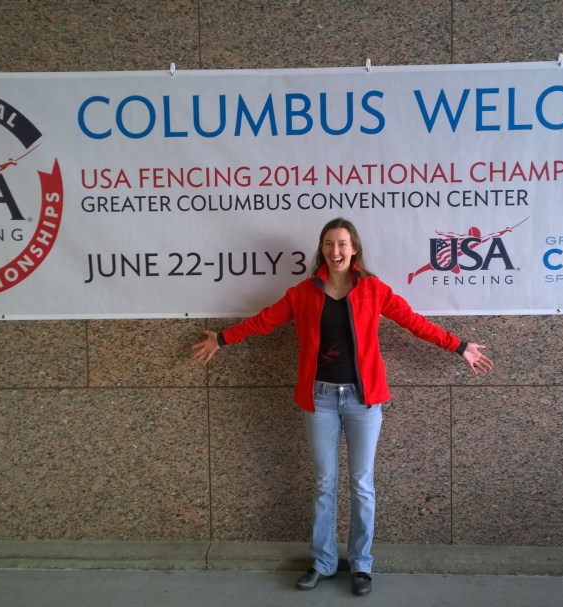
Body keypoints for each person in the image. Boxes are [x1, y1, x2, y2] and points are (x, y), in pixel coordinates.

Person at [191, 218, 493, 597]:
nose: (335, 251)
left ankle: (361, 564)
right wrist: (221, 339)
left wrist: (459, 346)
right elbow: (264, 321)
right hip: (320, 399)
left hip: (362, 401)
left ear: (354, 249)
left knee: (362, 485)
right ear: (322, 249)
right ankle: (323, 561)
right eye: (329, 244)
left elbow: (415, 323)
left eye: (342, 244)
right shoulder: (303, 293)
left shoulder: (373, 290)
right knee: (324, 483)